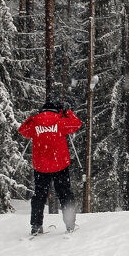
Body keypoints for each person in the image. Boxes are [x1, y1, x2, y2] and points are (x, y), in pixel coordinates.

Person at [18, 99, 82, 236]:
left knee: (39, 195)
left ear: (42, 110)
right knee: (65, 194)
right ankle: (70, 224)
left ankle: (36, 225)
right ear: (56, 110)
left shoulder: (35, 121)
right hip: (60, 164)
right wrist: (67, 112)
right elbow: (77, 124)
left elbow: (22, 130)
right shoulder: (60, 119)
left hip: (41, 167)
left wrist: (34, 118)